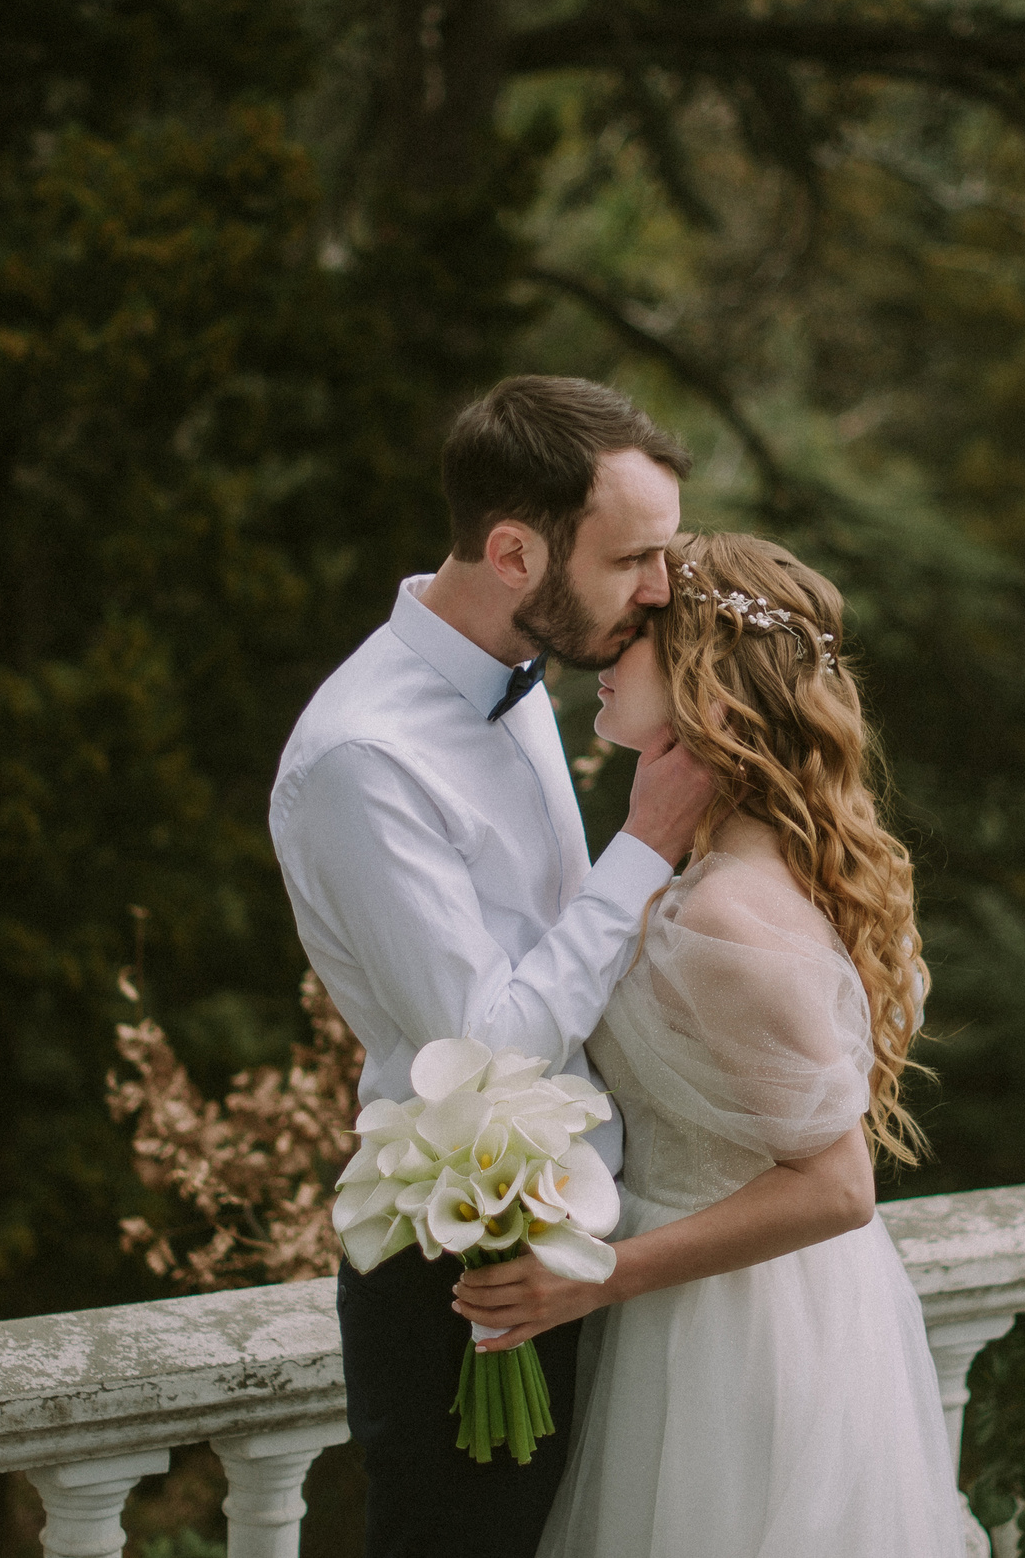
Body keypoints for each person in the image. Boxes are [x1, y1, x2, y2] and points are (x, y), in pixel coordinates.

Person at [456, 531, 974, 1558]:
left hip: (734, 1332)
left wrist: (599, 1273)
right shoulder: (732, 869)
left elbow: (838, 1188)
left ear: (706, 676)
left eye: (642, 632)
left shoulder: (731, 913)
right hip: (707, 1303)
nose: (607, 647)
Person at [269, 376, 715, 1558]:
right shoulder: (369, 756)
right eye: (634, 561)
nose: (663, 591)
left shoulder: (523, 678)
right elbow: (488, 1046)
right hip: (462, 1279)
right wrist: (648, 842)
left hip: (582, 1246)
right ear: (515, 551)